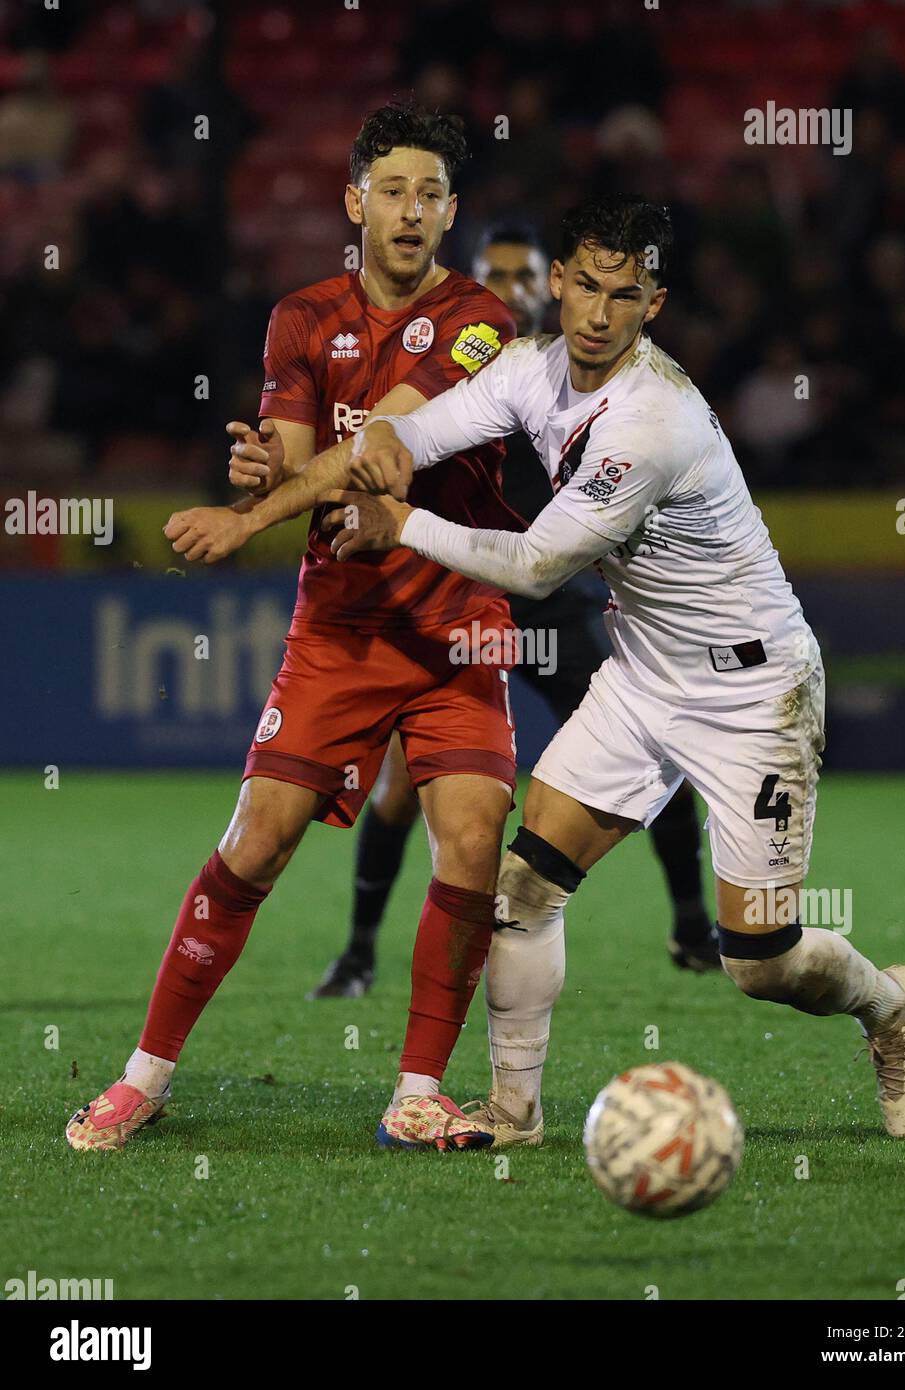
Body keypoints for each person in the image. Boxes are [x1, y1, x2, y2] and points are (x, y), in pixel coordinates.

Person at [321, 193, 905, 1148]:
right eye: (588, 288)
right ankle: (515, 1113)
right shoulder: (527, 371)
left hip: (754, 692)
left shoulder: (653, 418)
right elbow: (412, 435)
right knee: (520, 892)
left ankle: (889, 1006)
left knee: (759, 961)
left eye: (627, 294)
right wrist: (302, 475)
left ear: (655, 303)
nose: (601, 314)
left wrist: (398, 522)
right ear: (557, 283)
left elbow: (535, 565)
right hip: (644, 678)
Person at [66, 102, 523, 1155]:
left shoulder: (481, 319)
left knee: (469, 837)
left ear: (451, 214)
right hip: (345, 625)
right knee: (255, 840)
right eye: (393, 190)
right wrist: (269, 472)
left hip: (457, 618)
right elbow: (302, 451)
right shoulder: (301, 317)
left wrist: (246, 513)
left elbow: (382, 447)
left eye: (431, 195)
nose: (411, 211)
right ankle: (145, 1077)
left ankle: (417, 1089)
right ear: (353, 200)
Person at [311, 221, 717, 1001]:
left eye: (523, 274)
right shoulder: (450, 371)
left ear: (549, 283)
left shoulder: (580, 373)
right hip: (458, 596)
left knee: (659, 755)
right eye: (493, 272)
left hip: (553, 603)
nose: (510, 287)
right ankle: (359, 954)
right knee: (400, 787)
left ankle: (692, 927)